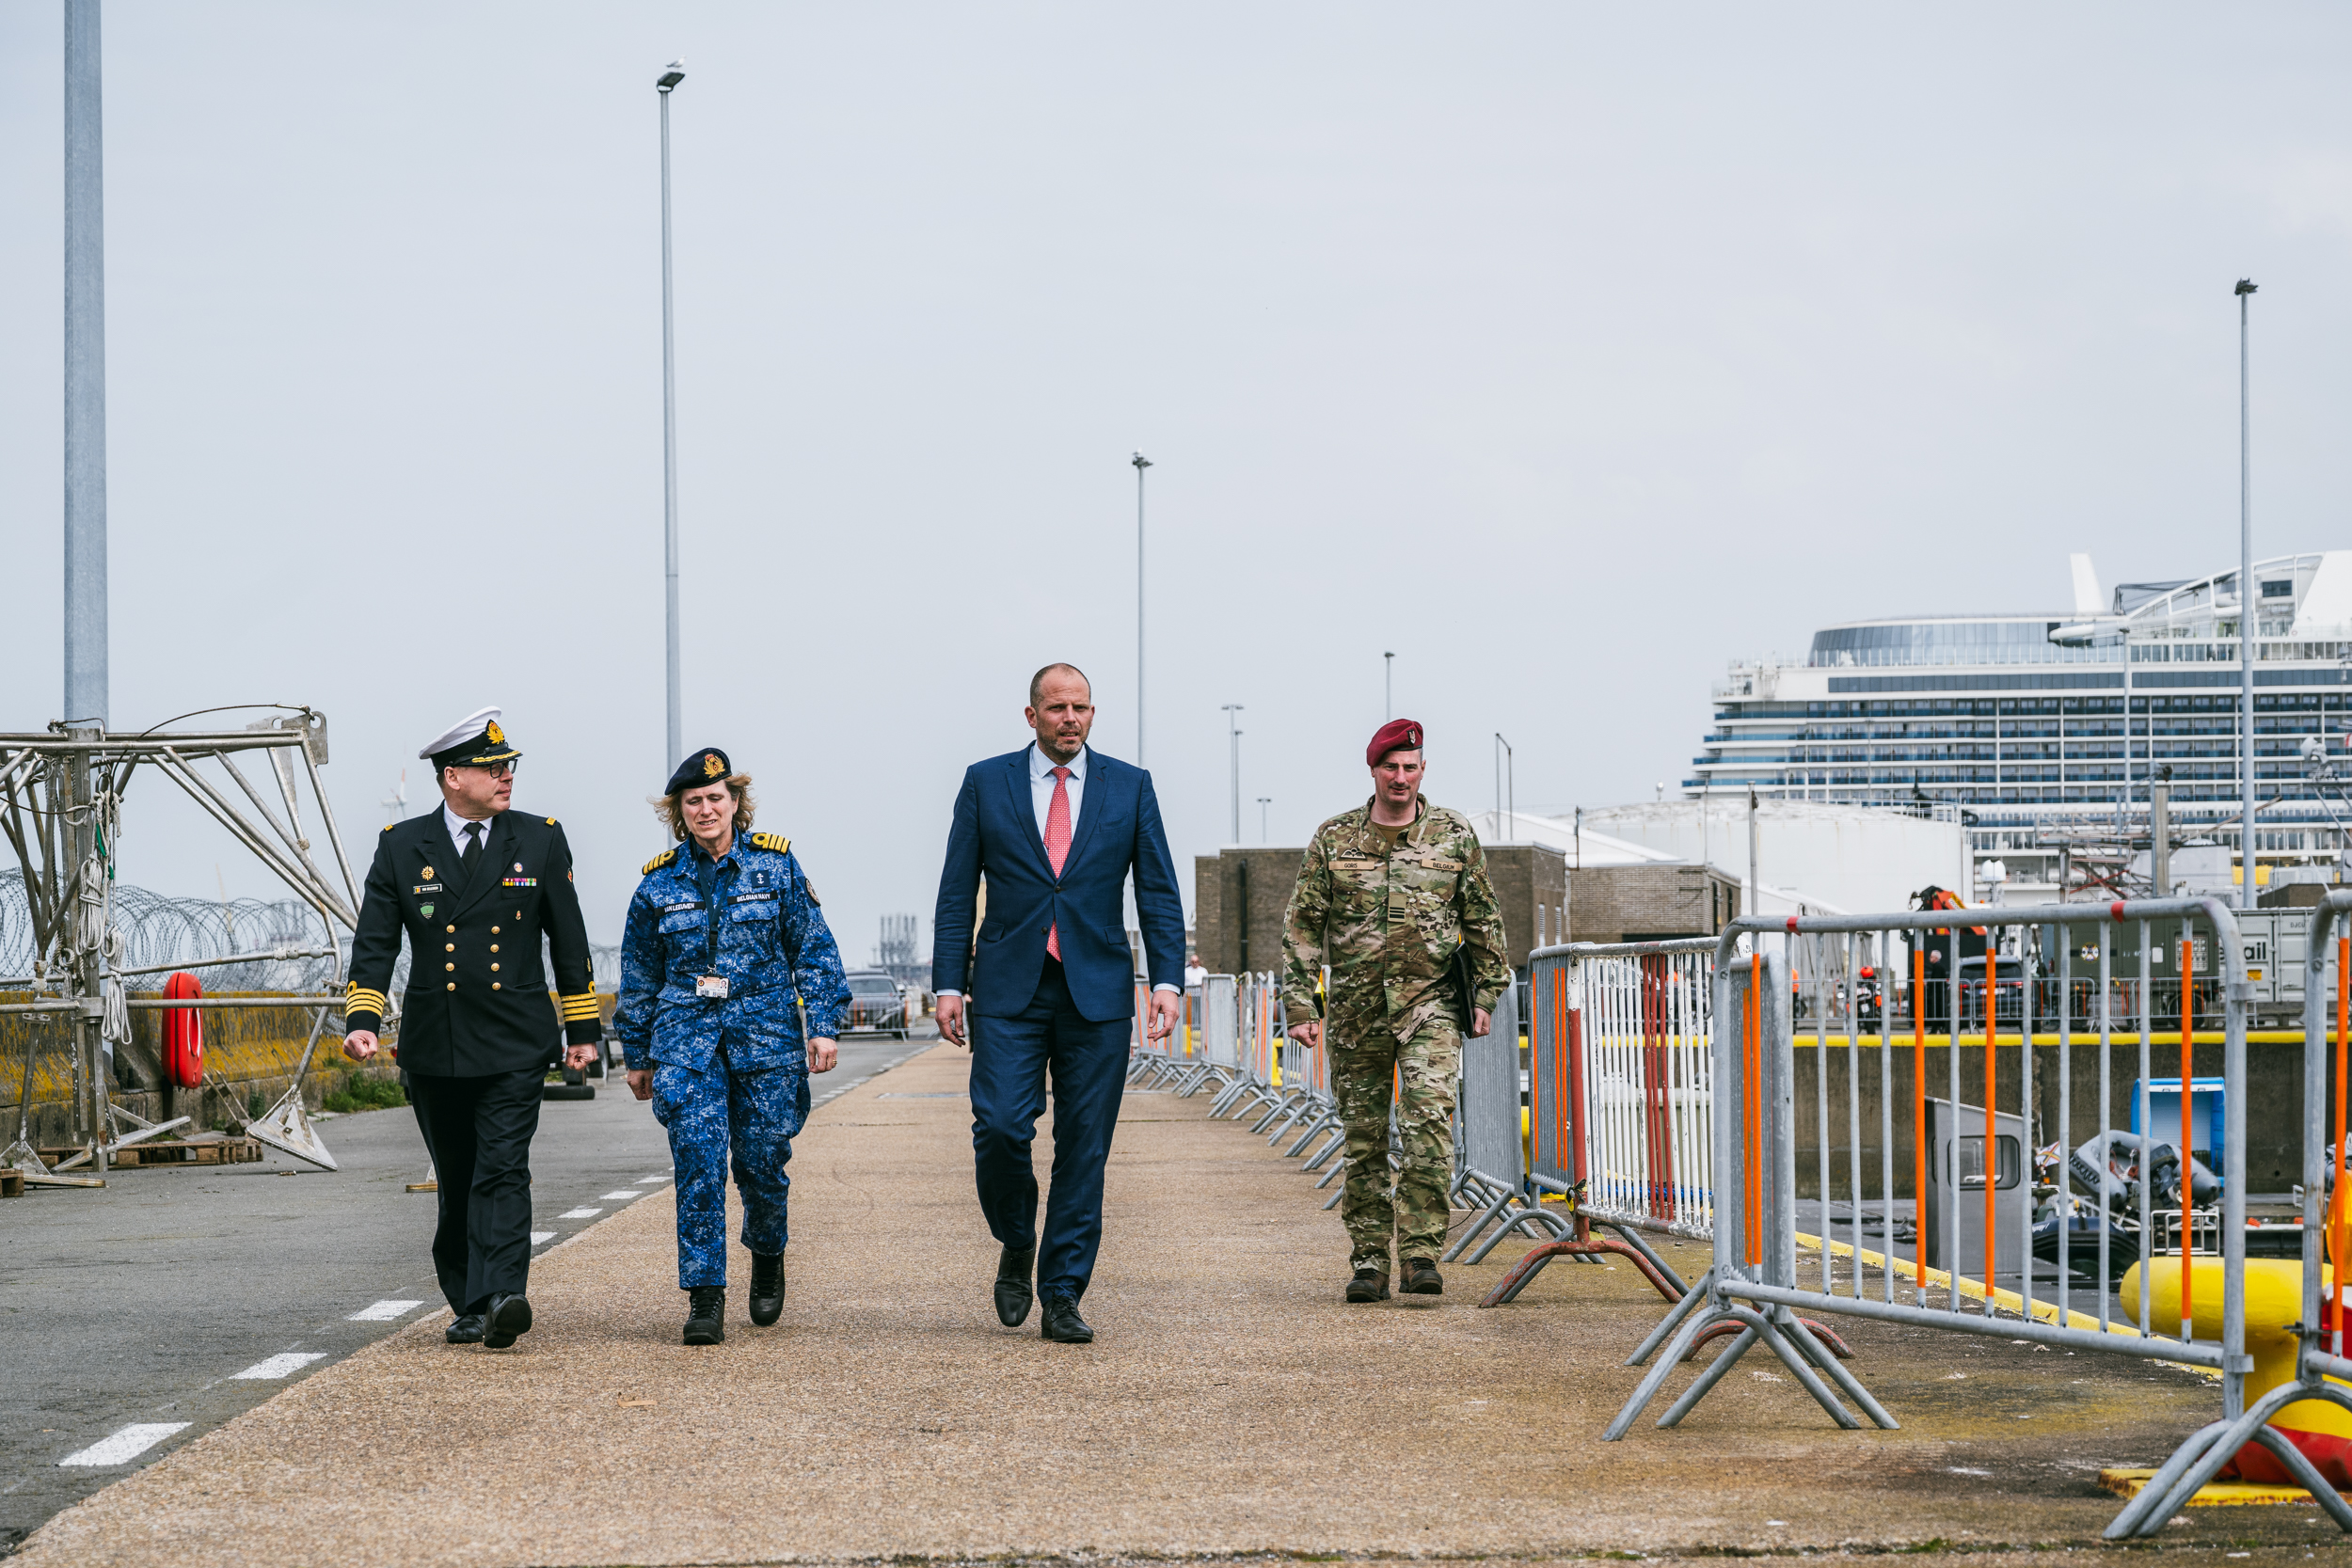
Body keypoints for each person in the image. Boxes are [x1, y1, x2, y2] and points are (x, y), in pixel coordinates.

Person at [930, 663, 1185, 1344]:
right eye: (1057, 708)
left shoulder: (1130, 787)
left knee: (1084, 1147)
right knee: (1002, 1126)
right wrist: (949, 982)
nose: (1070, 718)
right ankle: (1017, 1237)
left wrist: (1167, 979)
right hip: (1009, 987)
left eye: (1081, 708)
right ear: (1031, 715)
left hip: (1096, 991)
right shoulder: (986, 782)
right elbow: (957, 890)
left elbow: (1156, 889)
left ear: (1093, 714)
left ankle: (1063, 1289)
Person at [342, 707, 604, 1349]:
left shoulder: (539, 839)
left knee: (504, 1167)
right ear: (453, 776)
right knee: (458, 1174)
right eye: (492, 768)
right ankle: (466, 1298)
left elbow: (568, 941)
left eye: (508, 764)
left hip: (516, 1038)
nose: (506, 775)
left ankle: (502, 1294)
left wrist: (582, 1030)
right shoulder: (402, 846)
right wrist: (363, 1019)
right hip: (439, 1041)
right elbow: (376, 941)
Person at [615, 748, 850, 1346]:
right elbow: (640, 973)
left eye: (715, 798)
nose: (705, 809)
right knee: (696, 1160)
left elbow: (813, 950)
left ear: (735, 803)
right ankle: (704, 1294)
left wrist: (822, 1024)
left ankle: (767, 1252)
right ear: (678, 812)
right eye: (692, 801)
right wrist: (637, 1055)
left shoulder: (775, 867)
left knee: (761, 1160)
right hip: (686, 1041)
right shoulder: (658, 882)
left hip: (765, 1039)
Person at [1279, 719, 1510, 1304]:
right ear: (1374, 770)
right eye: (1391, 768)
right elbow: (1304, 926)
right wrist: (1302, 1003)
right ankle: (1368, 1262)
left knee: (1429, 1125)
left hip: (1430, 1004)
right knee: (1364, 1140)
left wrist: (1485, 995)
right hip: (1358, 1010)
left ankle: (1421, 1254)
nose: (1401, 778)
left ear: (1423, 770)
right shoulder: (1334, 840)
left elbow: (1483, 918)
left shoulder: (1453, 836)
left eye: (1411, 767)